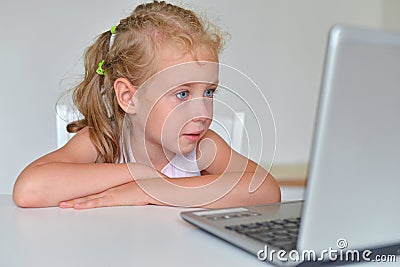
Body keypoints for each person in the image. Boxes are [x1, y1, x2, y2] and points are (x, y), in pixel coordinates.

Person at [13, 0, 280, 209]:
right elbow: (29, 190)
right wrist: (137, 173)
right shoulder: (104, 141)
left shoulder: (203, 146)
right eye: (183, 94)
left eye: (209, 92)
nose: (202, 113)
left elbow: (266, 190)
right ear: (129, 97)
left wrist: (149, 189)